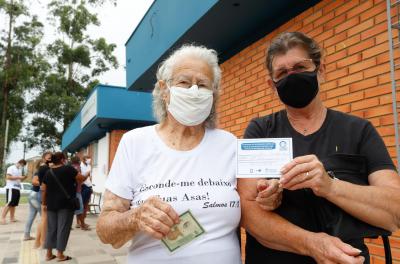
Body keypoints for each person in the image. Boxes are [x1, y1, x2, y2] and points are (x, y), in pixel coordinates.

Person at [239, 31, 400, 264]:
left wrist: (330, 186)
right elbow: (248, 210)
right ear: (271, 84)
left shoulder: (358, 130)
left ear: (320, 70)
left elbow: (395, 210)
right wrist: (312, 244)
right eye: (282, 73)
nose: (291, 77)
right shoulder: (261, 130)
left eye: (300, 67)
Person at [96, 45, 241, 264]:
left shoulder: (229, 144)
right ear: (164, 90)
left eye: (202, 85)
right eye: (184, 82)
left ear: (213, 95)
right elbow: (106, 231)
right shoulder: (135, 143)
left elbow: (251, 211)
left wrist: (268, 197)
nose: (194, 90)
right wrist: (134, 218)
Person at [42, 152, 84, 262]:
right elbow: (81, 178)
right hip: (66, 204)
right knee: (63, 228)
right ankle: (60, 255)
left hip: (51, 204)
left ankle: (49, 254)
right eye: (64, 158)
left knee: (51, 229)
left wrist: (43, 203)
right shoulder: (68, 169)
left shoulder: (48, 172)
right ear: (61, 159)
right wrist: (87, 174)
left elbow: (44, 189)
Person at [34, 151, 52, 248]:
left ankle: (38, 242)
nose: (50, 160)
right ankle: (42, 242)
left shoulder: (43, 167)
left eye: (51, 158)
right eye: (48, 158)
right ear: (44, 158)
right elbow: (44, 184)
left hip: (43, 193)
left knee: (43, 219)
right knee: (44, 219)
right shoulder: (45, 168)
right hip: (45, 194)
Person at [1, 159, 27, 224]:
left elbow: (19, 180)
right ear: (19, 163)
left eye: (23, 166)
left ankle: (12, 218)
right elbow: (8, 177)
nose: (22, 166)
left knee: (14, 204)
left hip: (17, 188)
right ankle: (2, 218)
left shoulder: (19, 170)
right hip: (11, 187)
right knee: (9, 203)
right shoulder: (11, 168)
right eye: (22, 165)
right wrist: (19, 177)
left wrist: (23, 178)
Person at [23, 160, 42, 241]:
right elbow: (34, 182)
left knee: (31, 216)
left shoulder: (38, 172)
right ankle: (43, 237)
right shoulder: (39, 172)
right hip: (36, 195)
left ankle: (26, 235)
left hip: (32, 194)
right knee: (44, 216)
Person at [70, 156, 88, 230]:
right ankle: (82, 225)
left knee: (72, 209)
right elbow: (80, 179)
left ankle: (72, 225)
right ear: (78, 161)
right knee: (80, 209)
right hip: (77, 191)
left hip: (72, 191)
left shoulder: (70, 167)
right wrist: (86, 175)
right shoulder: (77, 168)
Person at [79, 155, 92, 229]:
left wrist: (91, 187)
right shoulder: (80, 166)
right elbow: (82, 178)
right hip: (83, 186)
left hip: (88, 186)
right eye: (88, 159)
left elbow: (89, 177)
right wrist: (86, 175)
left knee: (85, 206)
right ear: (84, 159)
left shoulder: (89, 166)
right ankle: (81, 223)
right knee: (82, 206)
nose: (89, 160)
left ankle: (83, 222)